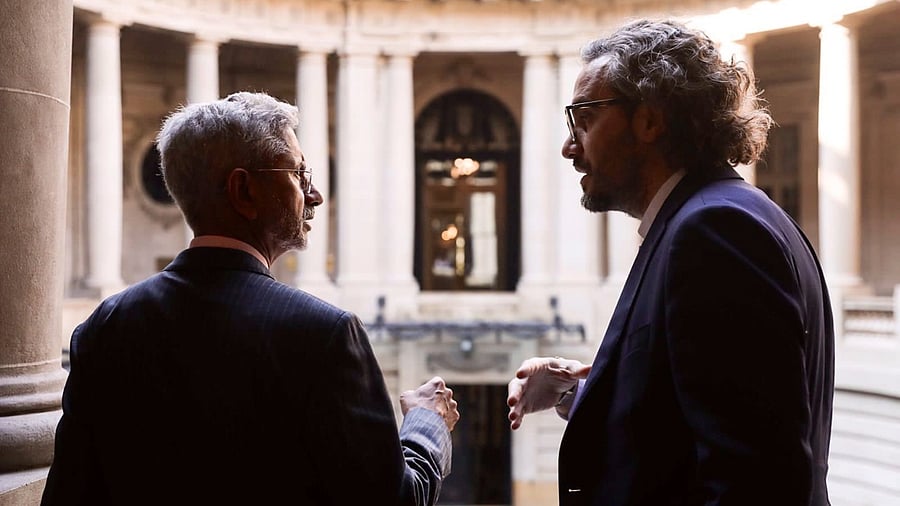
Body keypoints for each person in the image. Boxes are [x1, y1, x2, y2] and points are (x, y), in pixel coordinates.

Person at [42, 91, 459, 506]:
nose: (313, 196)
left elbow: (68, 495)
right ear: (244, 190)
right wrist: (427, 424)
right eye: (298, 174)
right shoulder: (324, 336)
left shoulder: (105, 327)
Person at [507, 19, 834, 506]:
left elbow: (754, 481)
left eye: (585, 119)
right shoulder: (722, 216)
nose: (570, 147)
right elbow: (688, 428)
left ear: (650, 120)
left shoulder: (715, 232)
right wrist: (579, 391)